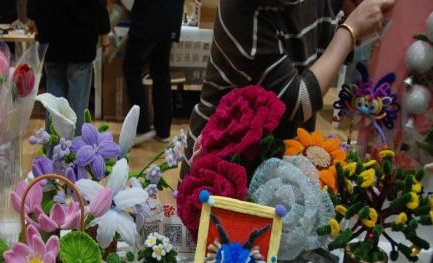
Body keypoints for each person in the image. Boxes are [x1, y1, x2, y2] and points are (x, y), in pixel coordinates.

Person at [179, 0, 395, 179]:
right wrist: (350, 30)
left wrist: (352, 16)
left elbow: (327, 54)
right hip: (224, 165)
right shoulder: (242, 8)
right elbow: (298, 102)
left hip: (282, 161)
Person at [27, 0, 110, 135]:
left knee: (54, 97)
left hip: (51, 31)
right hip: (82, 34)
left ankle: (54, 144)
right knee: (78, 101)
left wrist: (31, 16)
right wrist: (104, 32)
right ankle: (75, 145)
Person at [123, 0, 185, 143]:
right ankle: (163, 130)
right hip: (171, 19)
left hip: (148, 17)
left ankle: (141, 126)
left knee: (131, 68)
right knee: (160, 71)